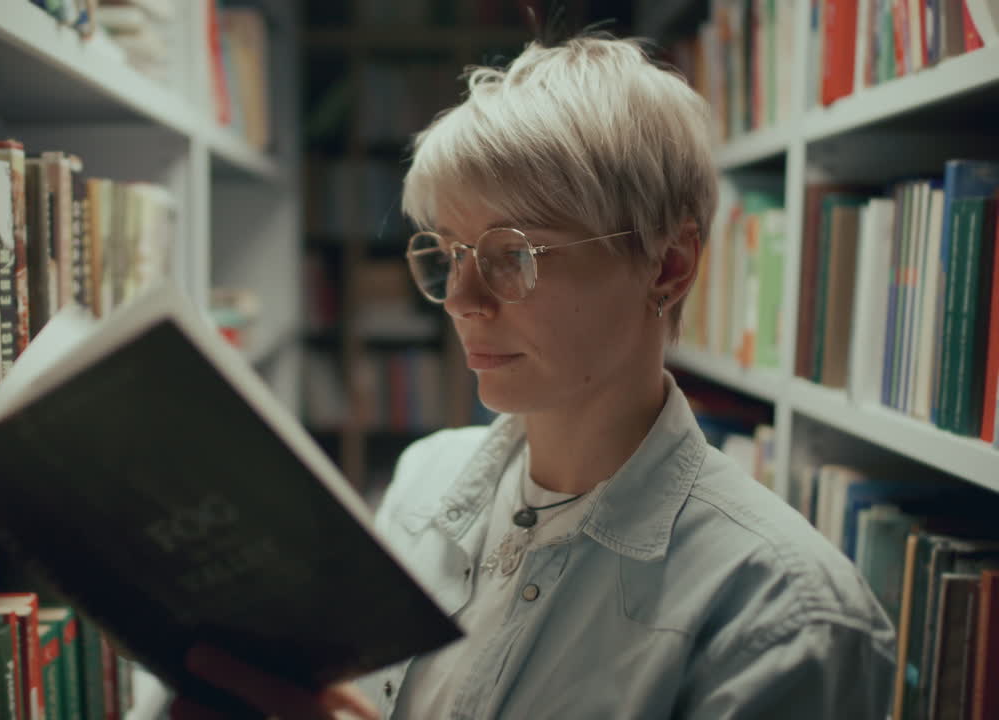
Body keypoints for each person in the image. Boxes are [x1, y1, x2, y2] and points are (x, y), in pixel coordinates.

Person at [171, 33, 896, 719]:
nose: (460, 301)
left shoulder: (785, 615)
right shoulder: (423, 483)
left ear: (668, 267)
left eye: (513, 254)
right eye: (449, 252)